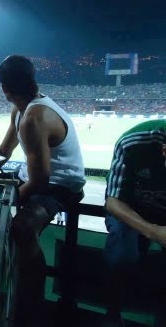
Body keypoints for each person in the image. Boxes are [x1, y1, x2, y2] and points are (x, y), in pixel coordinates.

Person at [0, 55, 86, 326]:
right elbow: (4, 151)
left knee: (23, 227)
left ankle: (33, 301)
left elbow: (41, 180)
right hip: (37, 177)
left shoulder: (35, 117)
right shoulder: (20, 110)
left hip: (61, 184)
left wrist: (12, 197)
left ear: (4, 88)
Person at [103, 119, 166, 327]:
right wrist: (154, 231)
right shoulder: (133, 143)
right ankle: (112, 316)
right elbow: (113, 202)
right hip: (128, 207)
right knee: (122, 253)